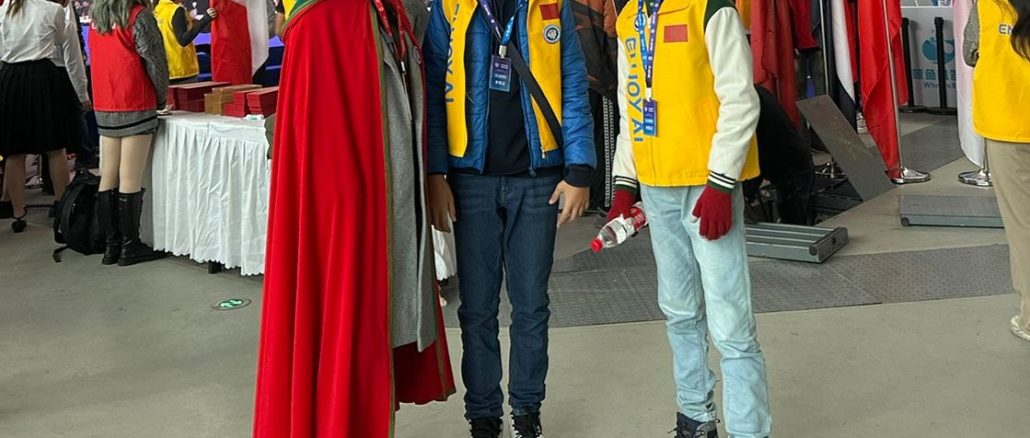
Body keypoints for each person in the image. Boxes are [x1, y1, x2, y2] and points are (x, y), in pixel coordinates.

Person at [253, 0, 455, 437]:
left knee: (375, 337)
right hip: (344, 219)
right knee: (345, 328)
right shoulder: (318, 22)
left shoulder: (391, 11)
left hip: (388, 205)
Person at [425, 0, 596, 436]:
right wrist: (435, 173)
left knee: (531, 304)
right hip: (470, 179)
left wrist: (579, 168)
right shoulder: (450, 7)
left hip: (538, 179)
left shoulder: (550, 6)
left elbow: (573, 83)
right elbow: (433, 90)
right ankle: (483, 415)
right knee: (477, 308)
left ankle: (526, 411)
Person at [607, 0, 771, 437]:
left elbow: (741, 99)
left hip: (706, 187)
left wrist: (721, 182)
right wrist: (624, 183)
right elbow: (630, 108)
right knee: (679, 311)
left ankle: (749, 430)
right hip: (656, 185)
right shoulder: (630, 17)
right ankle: (695, 417)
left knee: (730, 320)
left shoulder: (712, 9)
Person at [965, 0, 1030, 342]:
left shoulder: (988, 3)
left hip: (1009, 124)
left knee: (1024, 226)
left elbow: (970, 51)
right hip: (1009, 124)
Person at [88, 0, 168, 266]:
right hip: (134, 102)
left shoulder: (97, 19)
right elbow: (156, 64)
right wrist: (160, 98)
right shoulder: (139, 16)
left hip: (105, 103)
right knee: (130, 177)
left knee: (107, 174)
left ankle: (111, 245)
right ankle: (129, 246)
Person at [0, 0, 91, 233]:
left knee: (14, 151)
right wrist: (82, 93)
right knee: (55, 147)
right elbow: (63, 43)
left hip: (10, 77)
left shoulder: (4, 11)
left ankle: (18, 213)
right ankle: (63, 207)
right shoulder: (53, 10)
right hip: (42, 77)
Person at [744, 85, 815, 225]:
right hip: (793, 162)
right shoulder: (756, 92)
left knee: (793, 225)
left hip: (791, 167)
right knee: (793, 219)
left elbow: (758, 151)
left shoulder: (748, 101)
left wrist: (747, 192)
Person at [154, 0, 216, 84]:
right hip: (182, 69)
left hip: (165, 70)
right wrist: (204, 20)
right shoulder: (176, 10)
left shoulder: (156, 10)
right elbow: (183, 40)